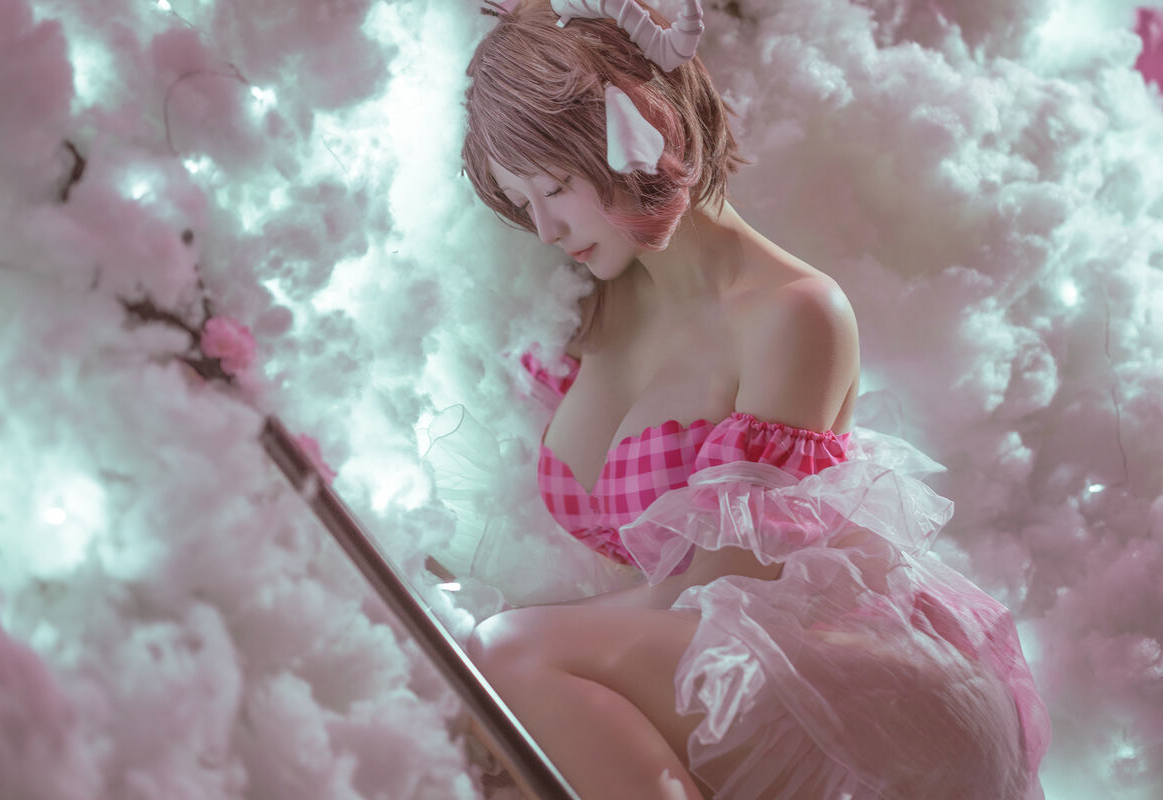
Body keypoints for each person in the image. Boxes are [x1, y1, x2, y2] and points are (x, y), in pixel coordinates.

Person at [449, 1, 1051, 798]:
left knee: (501, 655)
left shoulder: (796, 313)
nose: (546, 227)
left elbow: (718, 595)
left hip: (823, 677)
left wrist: (524, 648)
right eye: (521, 201)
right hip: (665, 664)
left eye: (556, 187)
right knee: (478, 685)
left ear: (642, 130)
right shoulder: (585, 307)